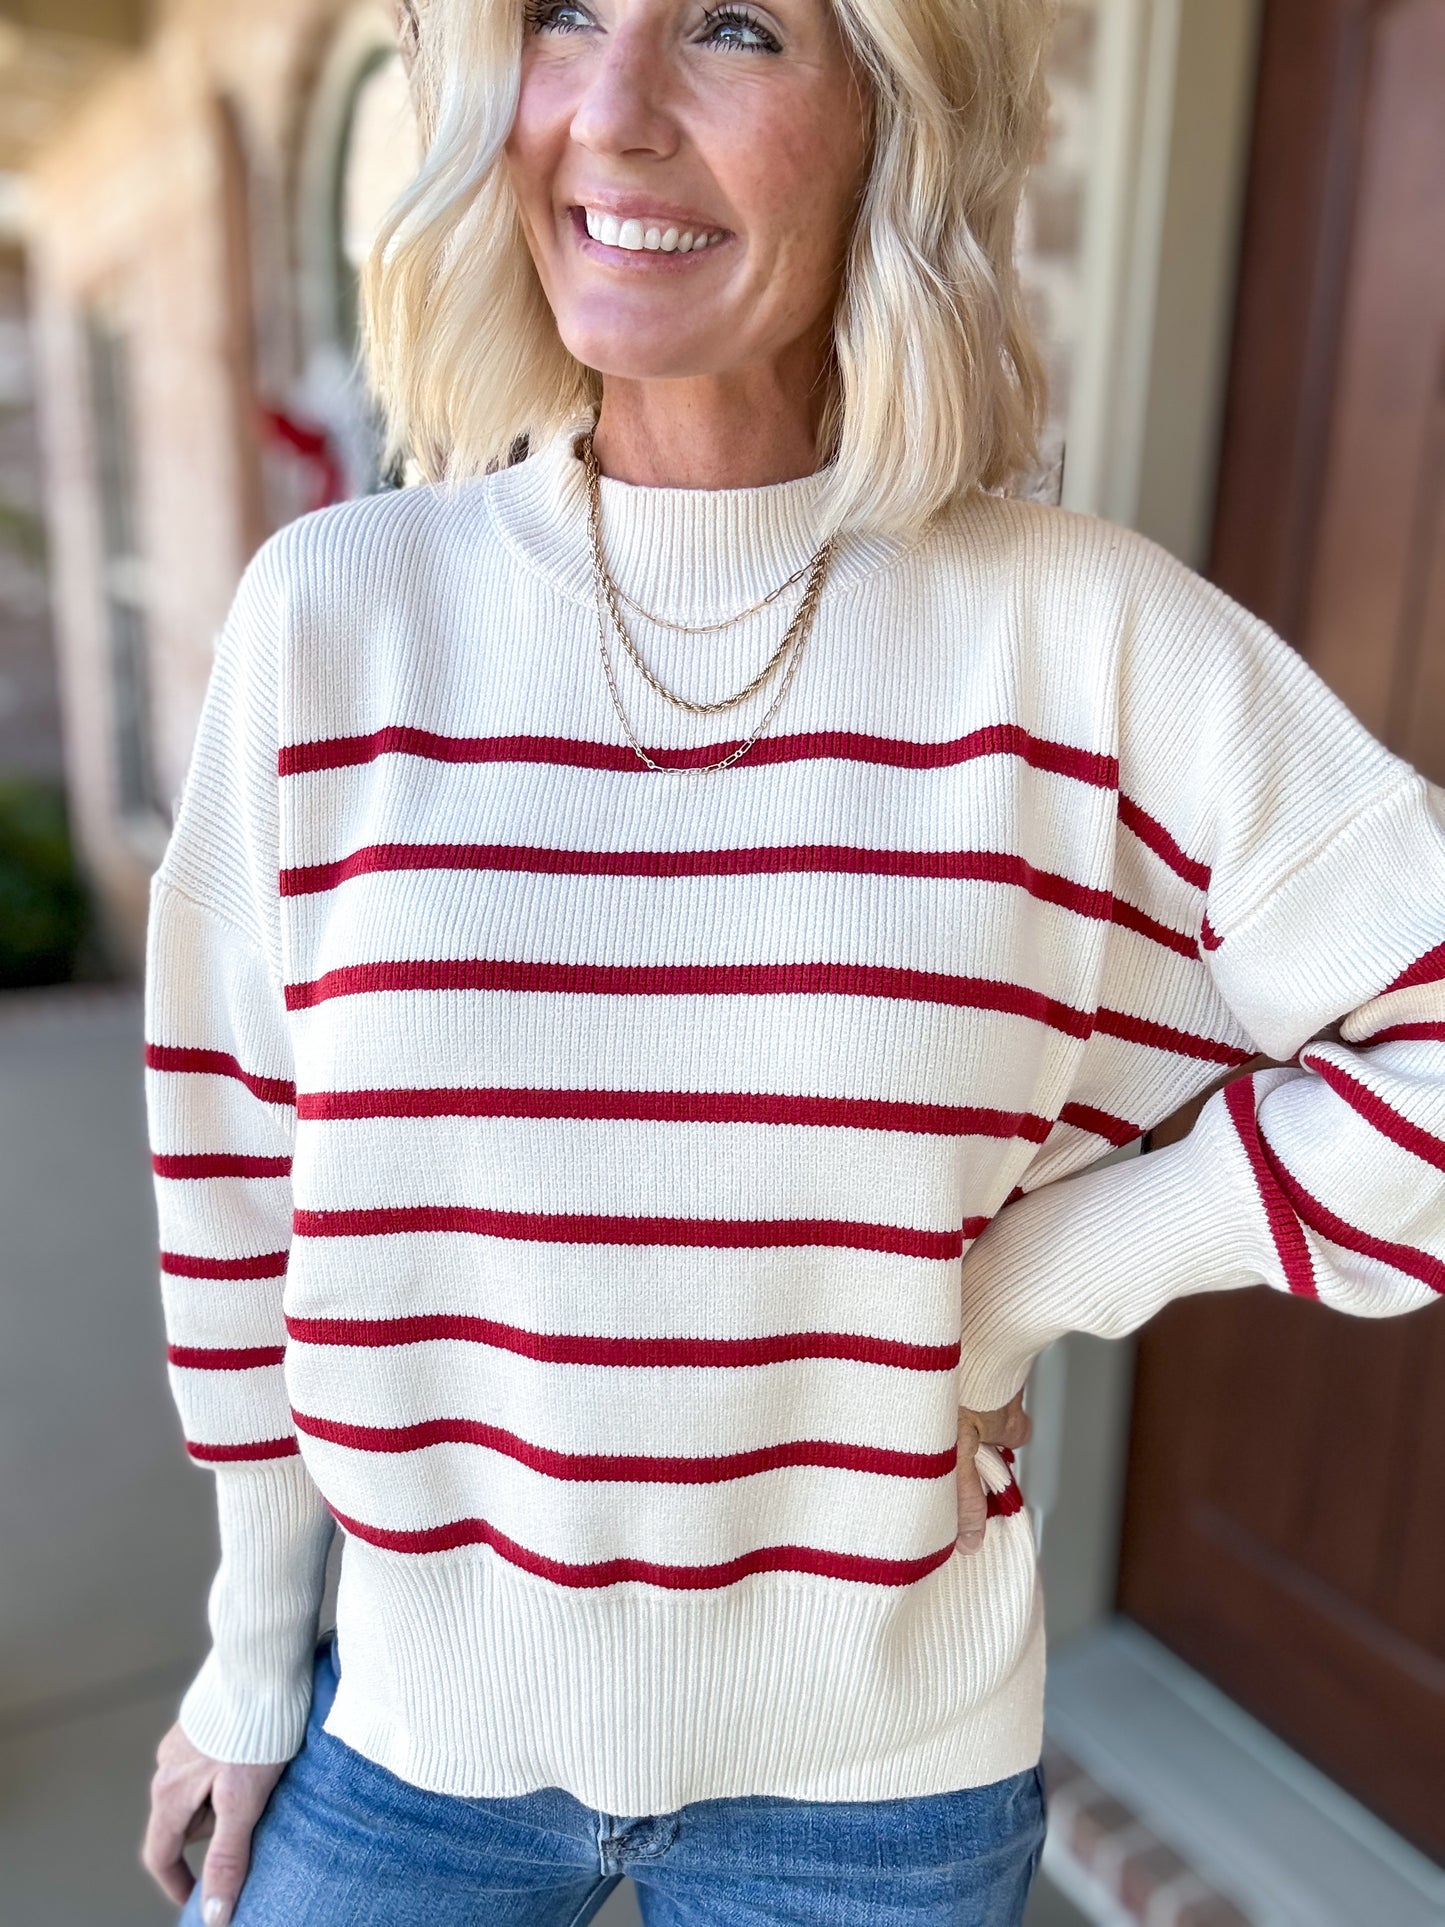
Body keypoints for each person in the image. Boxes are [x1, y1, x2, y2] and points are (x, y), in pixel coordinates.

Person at [139, 0, 1445, 1919]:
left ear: (887, 127)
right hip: (409, 1745)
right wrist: (252, 1662)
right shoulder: (334, 621)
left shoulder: (1072, 640)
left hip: (875, 1795)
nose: (615, 109)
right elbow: (240, 1183)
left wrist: (1018, 1283)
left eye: (736, 25)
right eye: (567, 15)